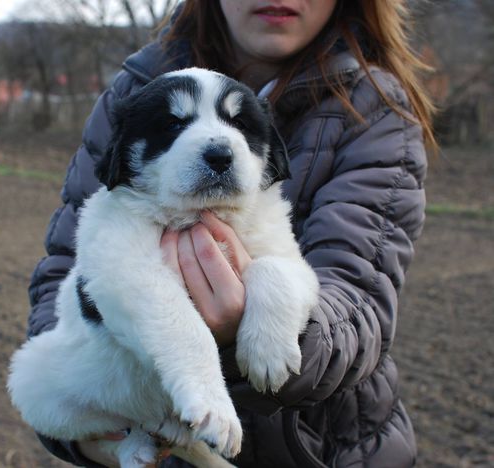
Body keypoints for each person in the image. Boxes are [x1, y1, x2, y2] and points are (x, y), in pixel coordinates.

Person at [26, 0, 436, 466]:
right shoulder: (134, 92)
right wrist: (86, 429)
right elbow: (64, 275)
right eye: (174, 125)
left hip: (324, 450)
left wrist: (252, 323)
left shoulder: (376, 110)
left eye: (239, 124)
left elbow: (355, 298)